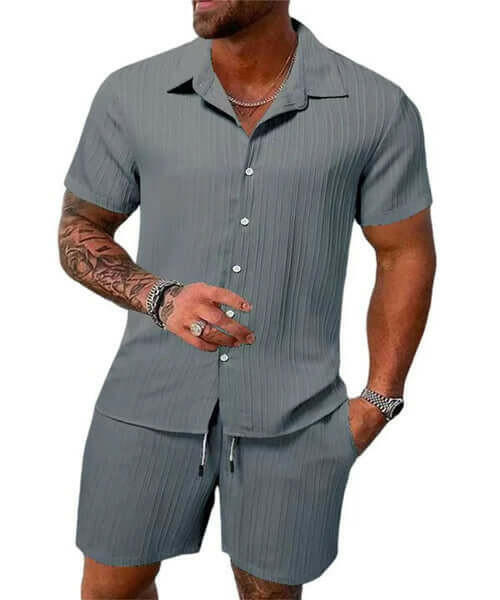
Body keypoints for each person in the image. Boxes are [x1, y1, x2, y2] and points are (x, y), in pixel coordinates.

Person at [59, 1, 436, 598]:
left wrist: (379, 401)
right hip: (144, 403)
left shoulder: (377, 108)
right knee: (110, 591)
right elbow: (80, 229)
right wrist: (160, 297)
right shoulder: (131, 94)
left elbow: (402, 252)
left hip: (296, 419)